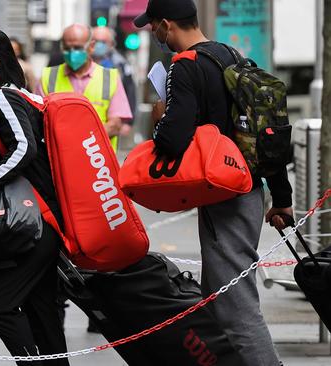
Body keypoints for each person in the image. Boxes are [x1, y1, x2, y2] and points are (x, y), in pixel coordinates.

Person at [135, 0, 293, 365]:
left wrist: (160, 118)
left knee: (235, 306)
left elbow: (172, 139)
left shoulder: (185, 67)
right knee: (215, 297)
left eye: (154, 27)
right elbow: (265, 131)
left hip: (224, 194)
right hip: (248, 189)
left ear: (167, 25)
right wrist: (280, 196)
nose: (154, 34)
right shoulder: (230, 56)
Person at [0, 26, 69, 365]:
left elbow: (24, 149)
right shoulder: (19, 96)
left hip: (34, 224)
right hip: (44, 223)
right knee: (42, 314)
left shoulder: (4, 97)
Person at [36, 24, 132, 152]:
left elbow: (114, 125)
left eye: (77, 48)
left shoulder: (110, 77)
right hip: (59, 161)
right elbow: (38, 121)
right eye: (67, 48)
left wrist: (79, 140)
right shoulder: (48, 77)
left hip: (99, 164)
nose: (72, 53)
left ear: (91, 46)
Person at [91, 26, 137, 135]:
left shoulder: (120, 64)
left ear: (111, 43)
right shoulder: (83, 62)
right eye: (95, 41)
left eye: (102, 41)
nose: (98, 44)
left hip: (111, 123)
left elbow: (130, 92)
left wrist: (129, 122)